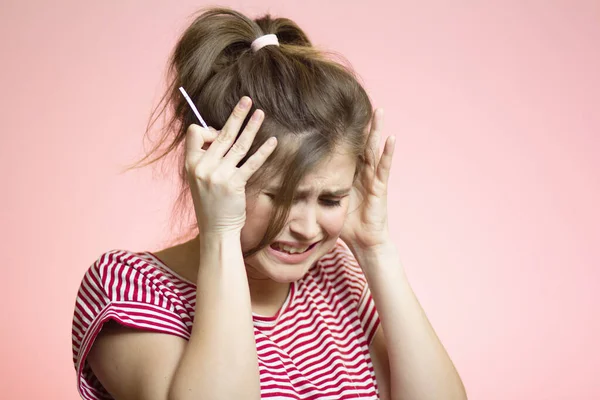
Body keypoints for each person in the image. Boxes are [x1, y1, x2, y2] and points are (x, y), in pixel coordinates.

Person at [71, 7, 467, 400]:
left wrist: (374, 248)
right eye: (280, 197)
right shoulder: (130, 288)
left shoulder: (336, 275)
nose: (308, 228)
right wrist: (222, 234)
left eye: (330, 199)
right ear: (216, 172)